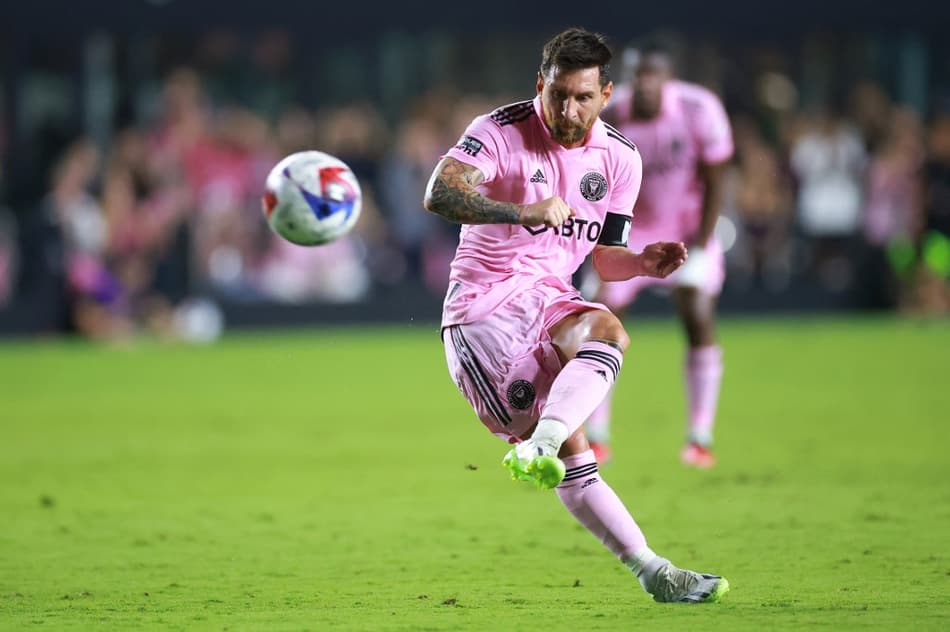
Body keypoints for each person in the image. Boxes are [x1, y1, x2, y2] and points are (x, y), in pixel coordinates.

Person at [423, 26, 729, 604]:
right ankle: (646, 563)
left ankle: (655, 572)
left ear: (605, 94)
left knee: (609, 331)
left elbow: (605, 257)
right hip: (481, 315)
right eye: (557, 95)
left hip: (547, 297)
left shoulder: (621, 158)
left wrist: (642, 263)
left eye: (583, 98)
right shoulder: (500, 130)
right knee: (577, 464)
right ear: (540, 84)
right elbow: (440, 194)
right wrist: (519, 211)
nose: (568, 111)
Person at [583, 37, 735, 468]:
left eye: (653, 74)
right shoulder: (611, 116)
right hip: (633, 230)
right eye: (638, 75)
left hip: (687, 228)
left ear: (668, 77)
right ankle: (597, 436)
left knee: (697, 312)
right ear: (628, 78)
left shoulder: (699, 109)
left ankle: (700, 437)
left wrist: (702, 242)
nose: (646, 83)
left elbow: (716, 180)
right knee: (600, 320)